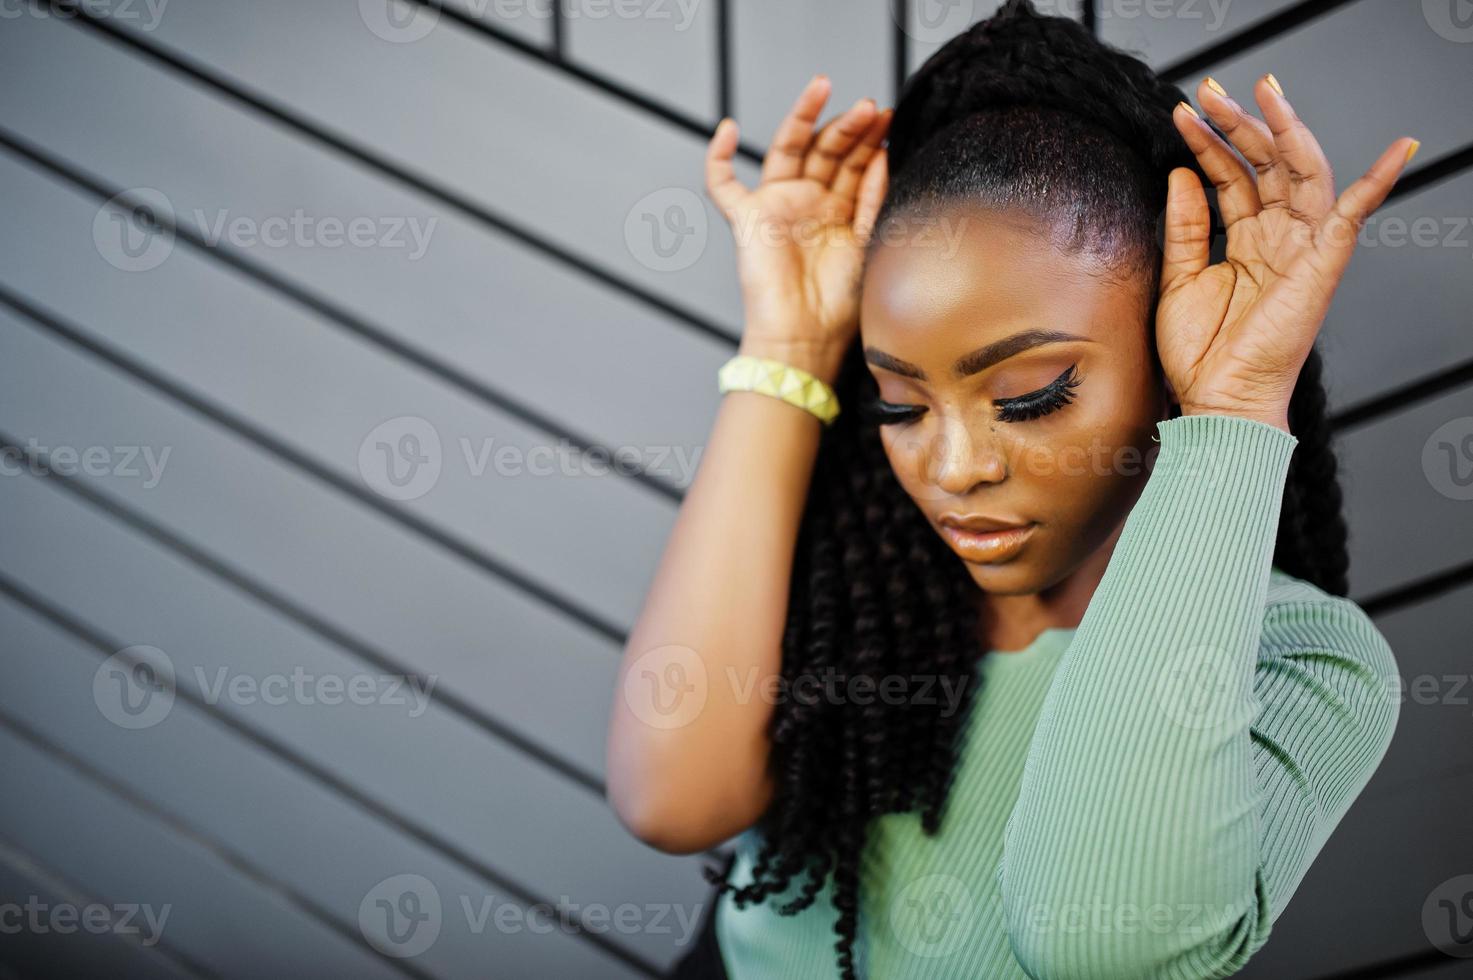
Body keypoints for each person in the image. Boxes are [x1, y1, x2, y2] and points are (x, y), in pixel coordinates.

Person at [605, 2, 1412, 977]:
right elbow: (671, 802)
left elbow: (1102, 936)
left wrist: (1236, 402)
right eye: (899, 404)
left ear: (1167, 352)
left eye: (1030, 396)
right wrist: (787, 347)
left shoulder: (1301, 659)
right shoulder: (846, 577)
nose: (953, 470)